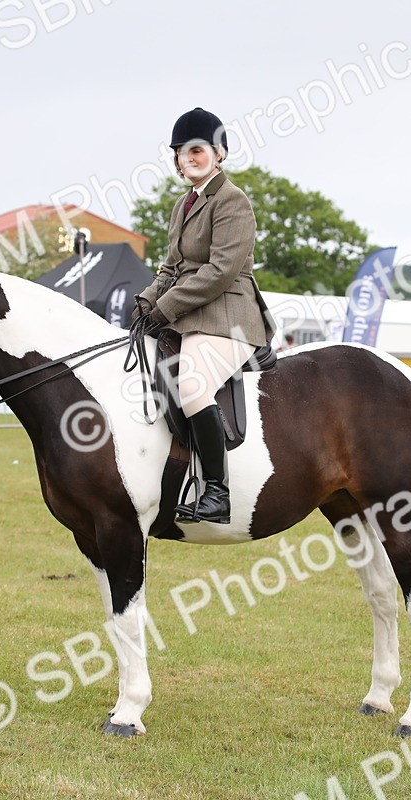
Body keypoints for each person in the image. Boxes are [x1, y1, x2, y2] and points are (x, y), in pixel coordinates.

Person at [133, 107, 275, 525]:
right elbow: (172, 268)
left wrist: (166, 307)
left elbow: (219, 272)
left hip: (229, 316)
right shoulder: (183, 204)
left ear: (219, 153)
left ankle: (217, 492)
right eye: (179, 152)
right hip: (191, 314)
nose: (186, 158)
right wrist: (146, 302)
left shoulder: (233, 201)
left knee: (192, 385)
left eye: (196, 150)